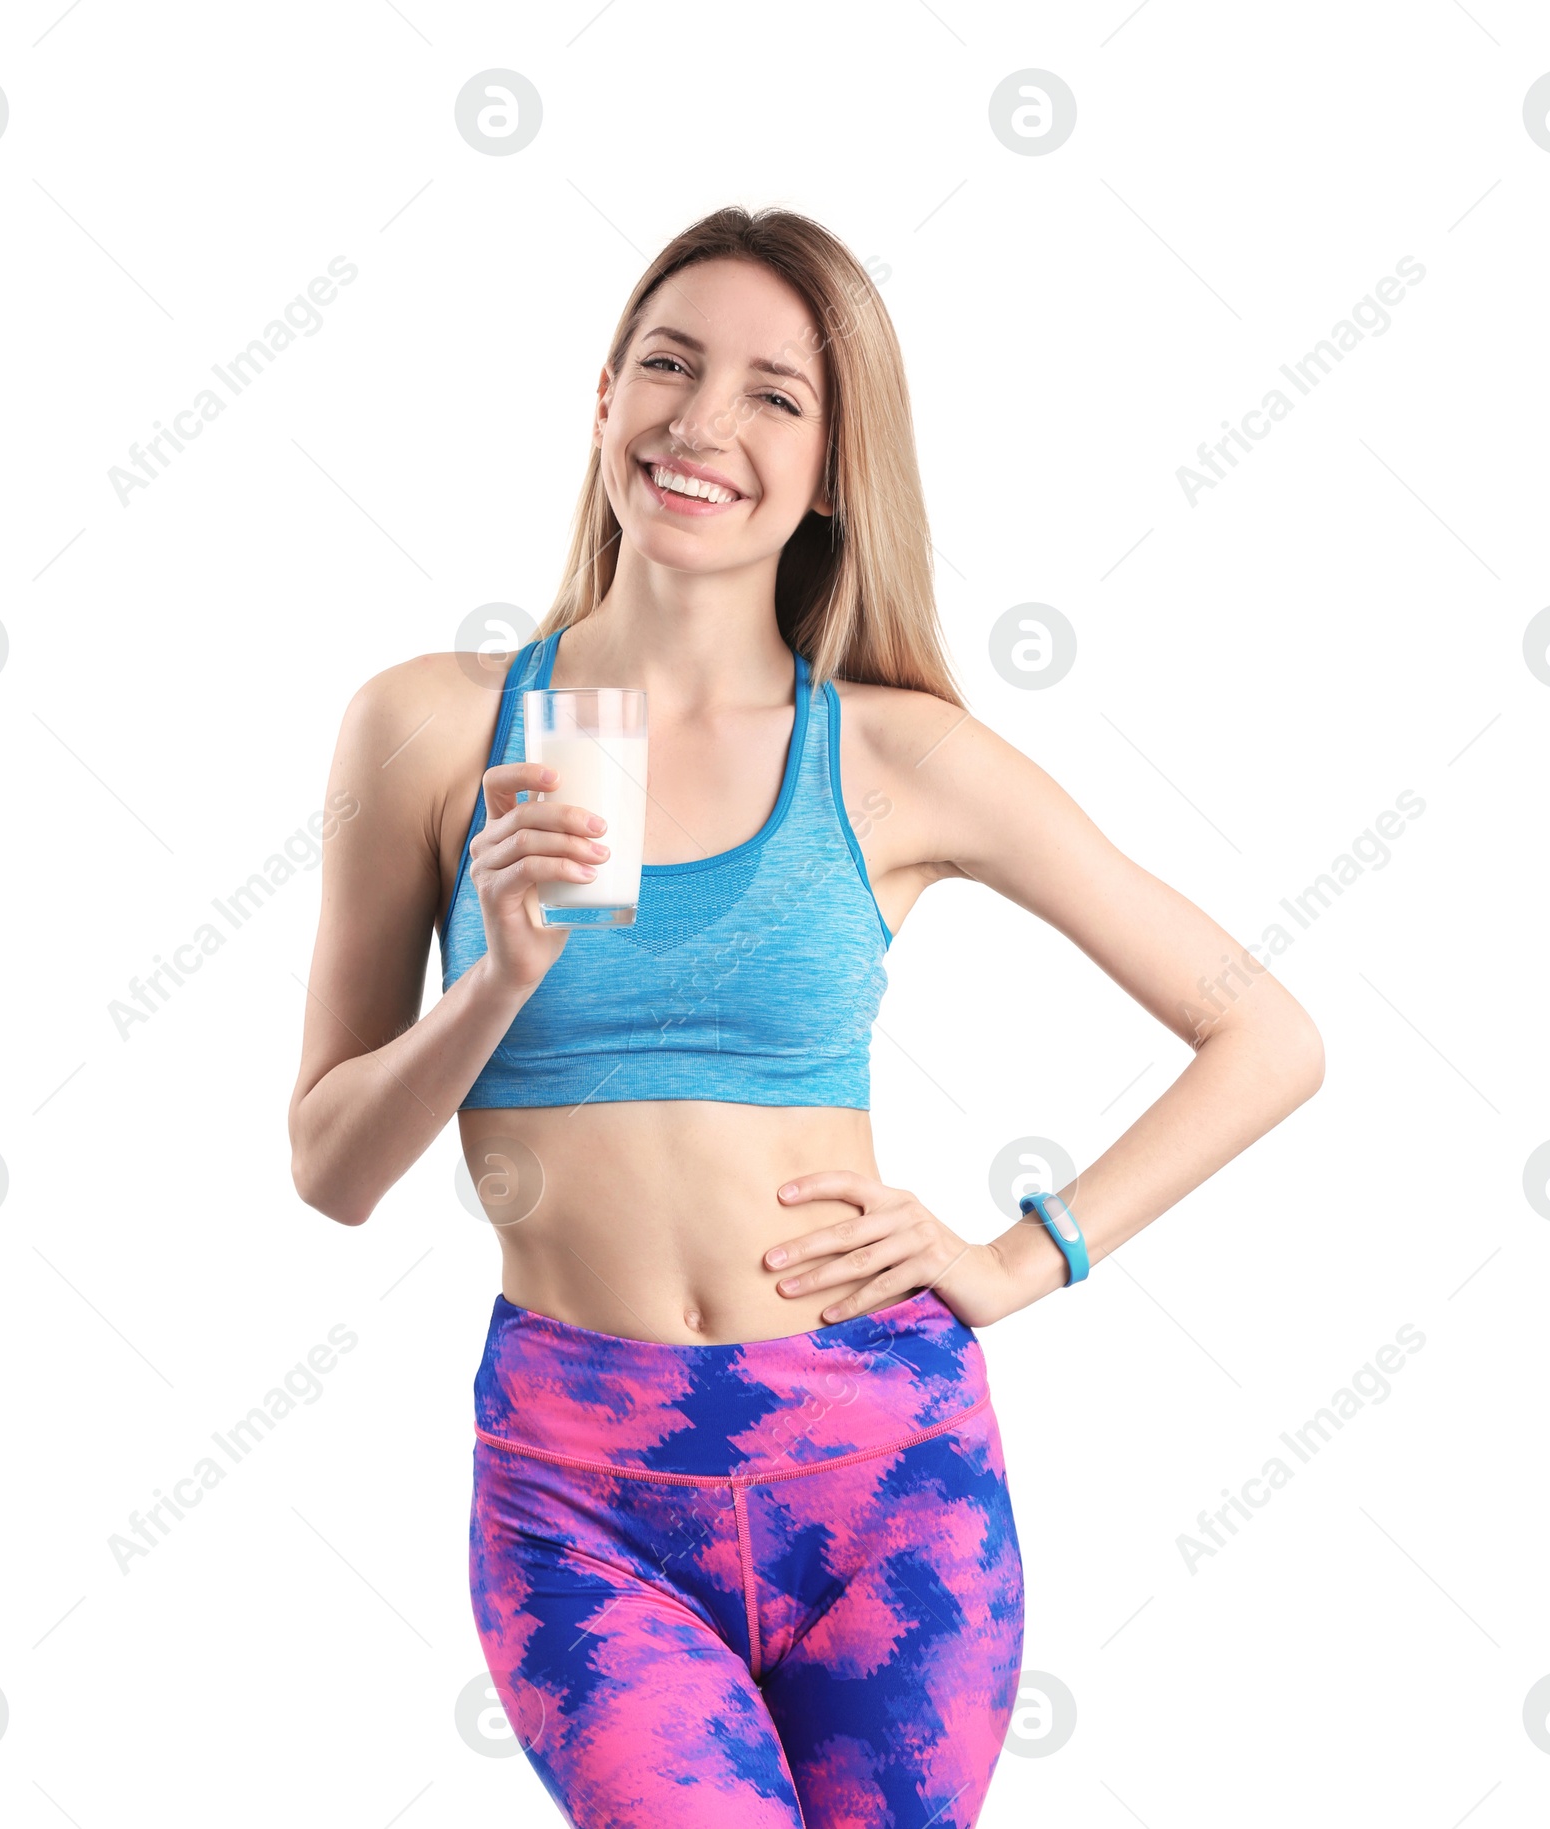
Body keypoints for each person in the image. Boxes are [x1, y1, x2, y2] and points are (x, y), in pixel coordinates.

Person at [288, 205, 1324, 1828]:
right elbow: (331, 1168)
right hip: (583, 1493)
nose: (704, 423)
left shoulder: (903, 757)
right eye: (669, 366)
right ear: (605, 399)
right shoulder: (429, 728)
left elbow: (1267, 1037)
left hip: (891, 1482)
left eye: (775, 393)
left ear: (838, 467)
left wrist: (1017, 1256)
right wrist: (494, 976)